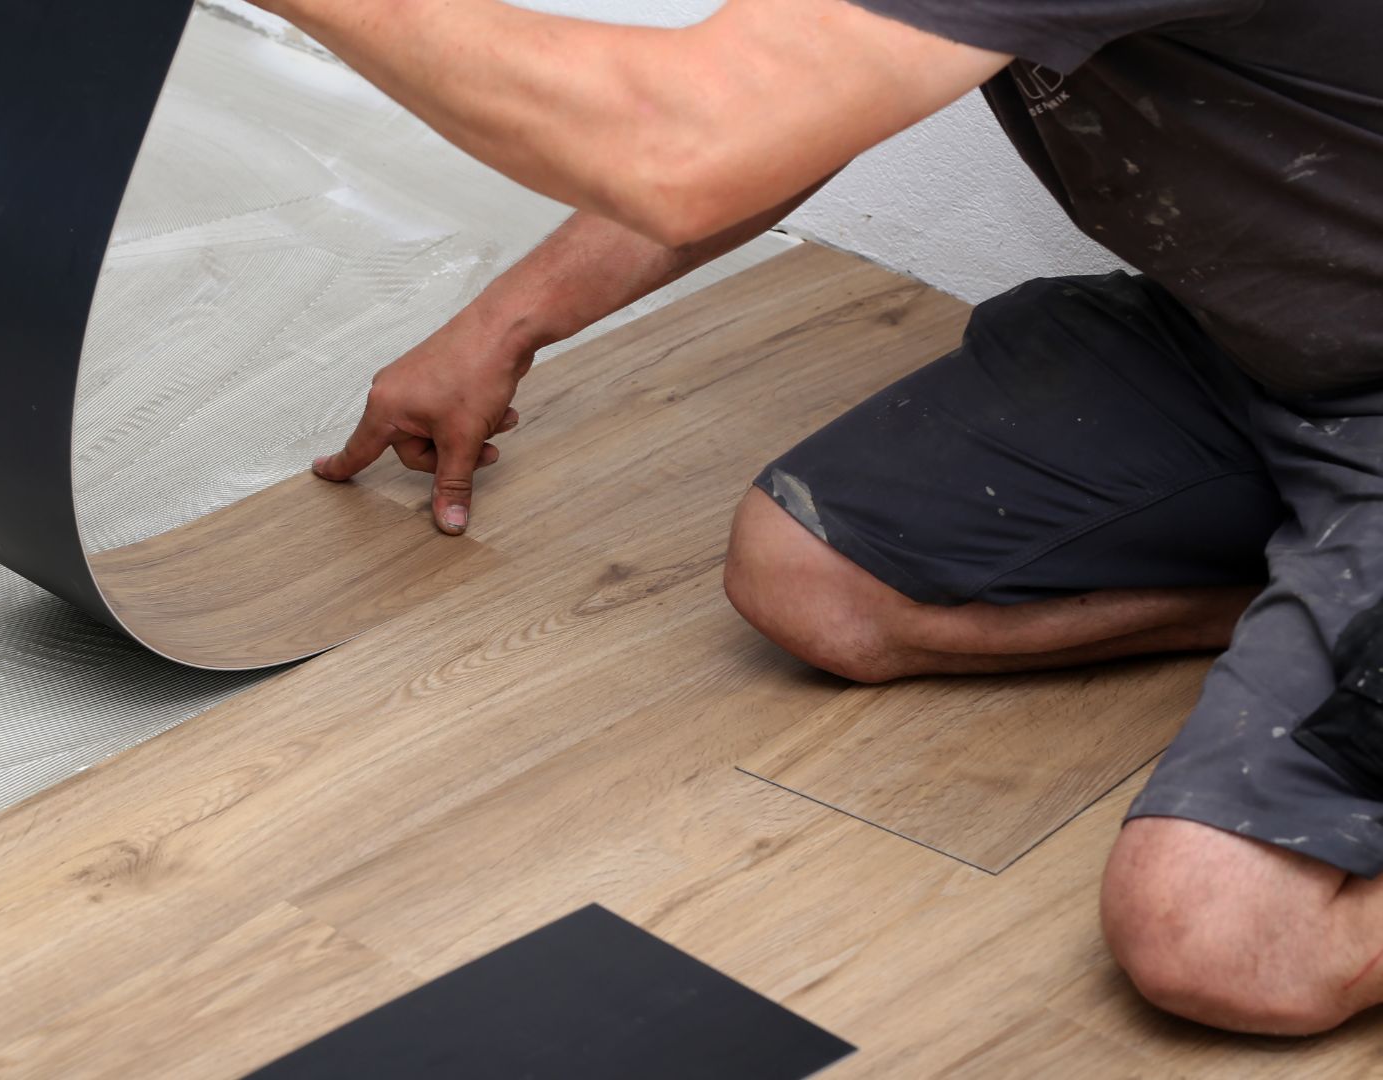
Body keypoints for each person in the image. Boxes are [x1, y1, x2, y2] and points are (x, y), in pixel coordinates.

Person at [243, 0, 1383, 1035]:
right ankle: (1309, 593)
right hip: (1256, 350)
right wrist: (504, 325)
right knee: (810, 582)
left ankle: (1339, 605)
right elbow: (795, 112)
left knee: (1222, 938)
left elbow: (688, 139)